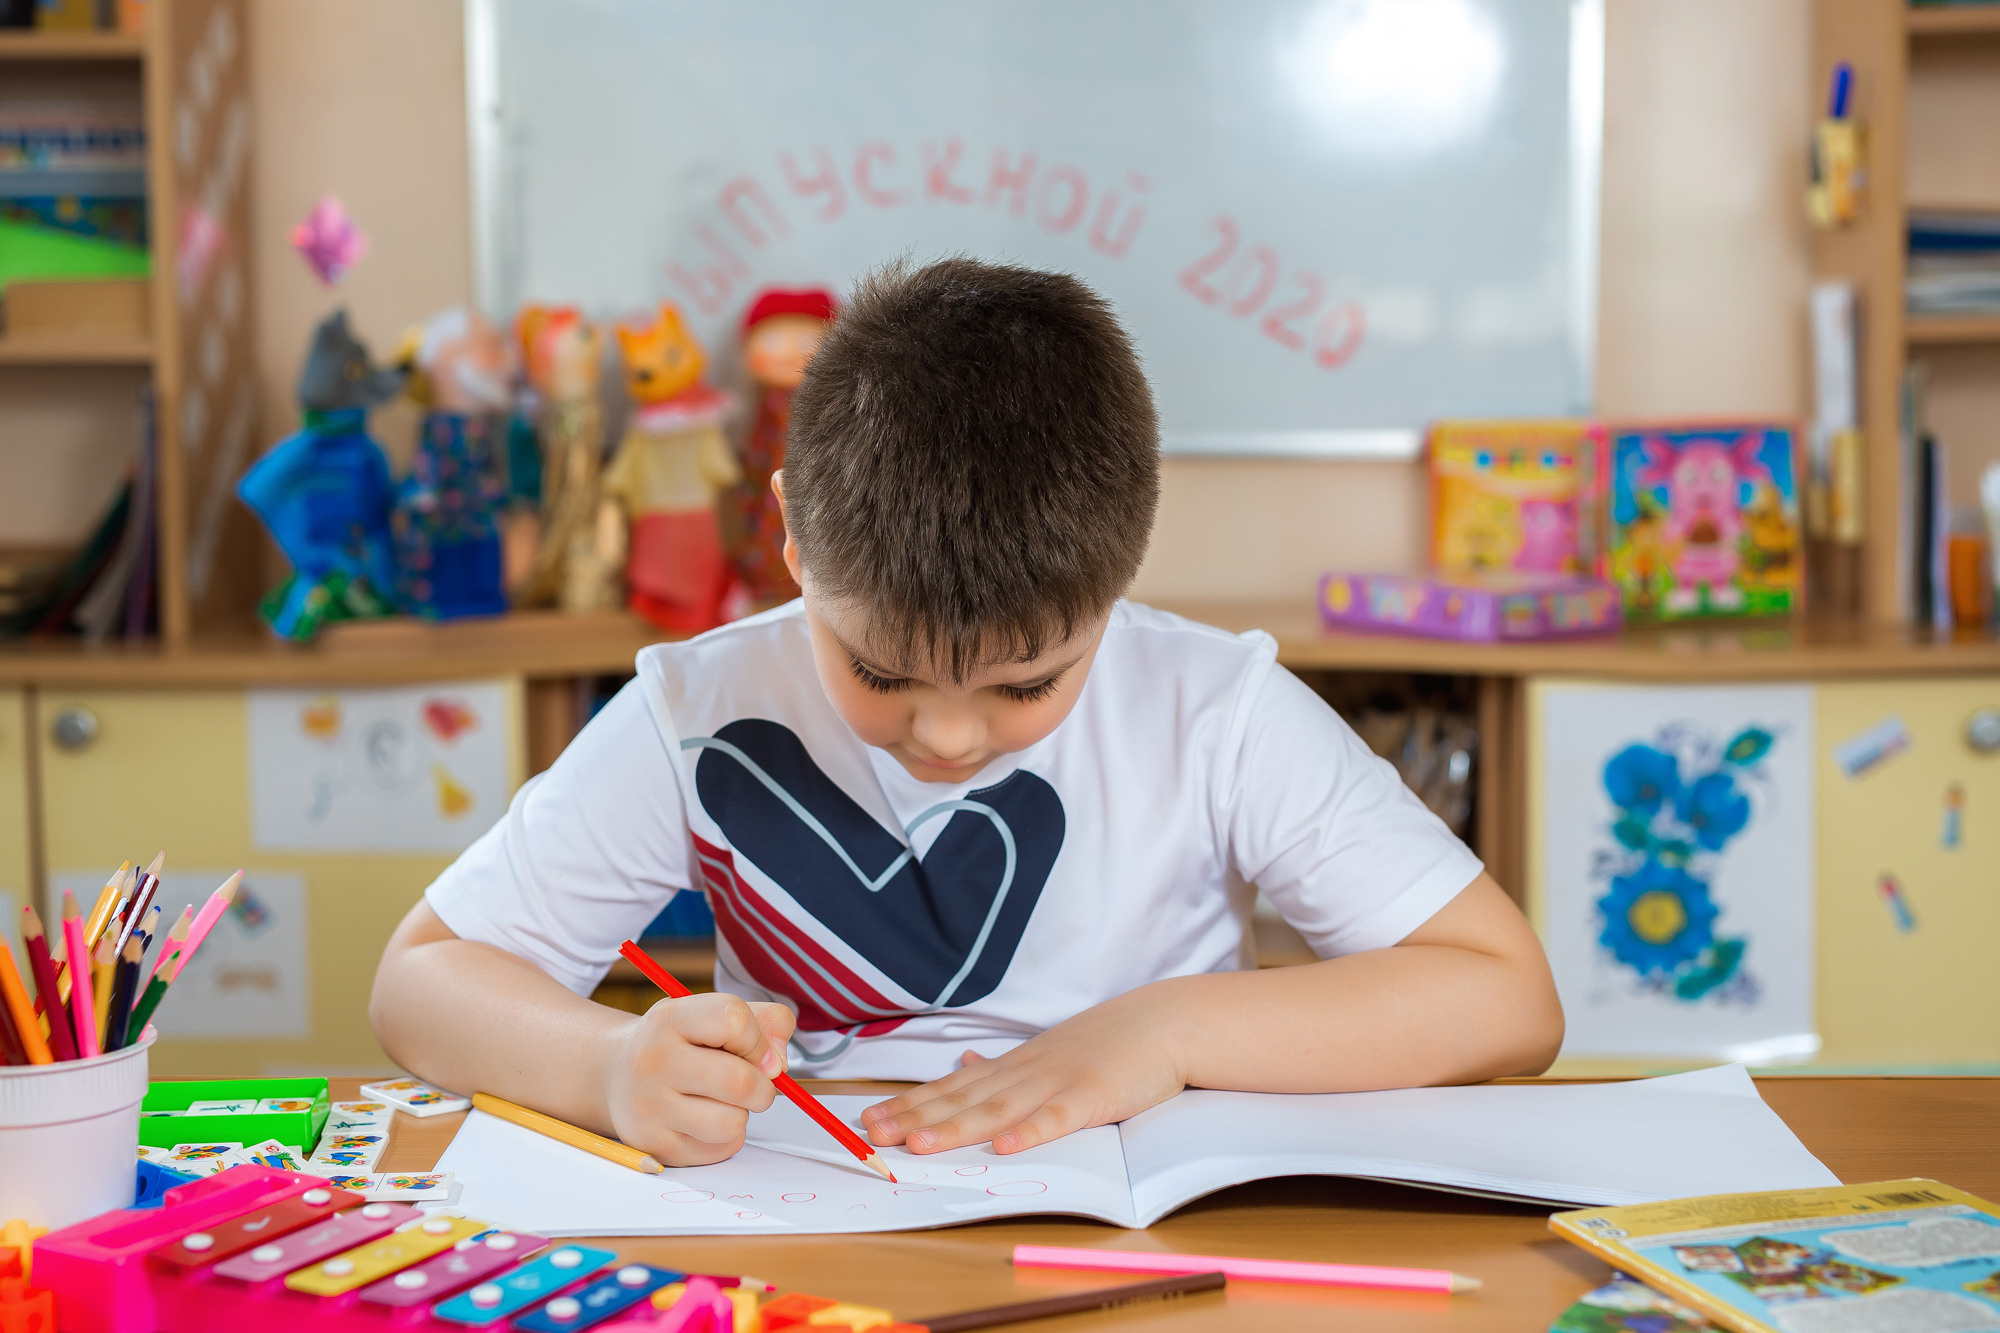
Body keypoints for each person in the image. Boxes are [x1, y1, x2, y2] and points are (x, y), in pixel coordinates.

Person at [370, 258, 1563, 1169]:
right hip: (819, 1227)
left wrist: (1160, 1035)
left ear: (1117, 580)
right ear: (791, 534)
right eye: (881, 676)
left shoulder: (1215, 710)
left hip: (1146, 1237)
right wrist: (606, 1063)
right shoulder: (700, 708)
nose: (947, 738)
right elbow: (417, 983)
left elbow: (1506, 999)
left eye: (1024, 686)